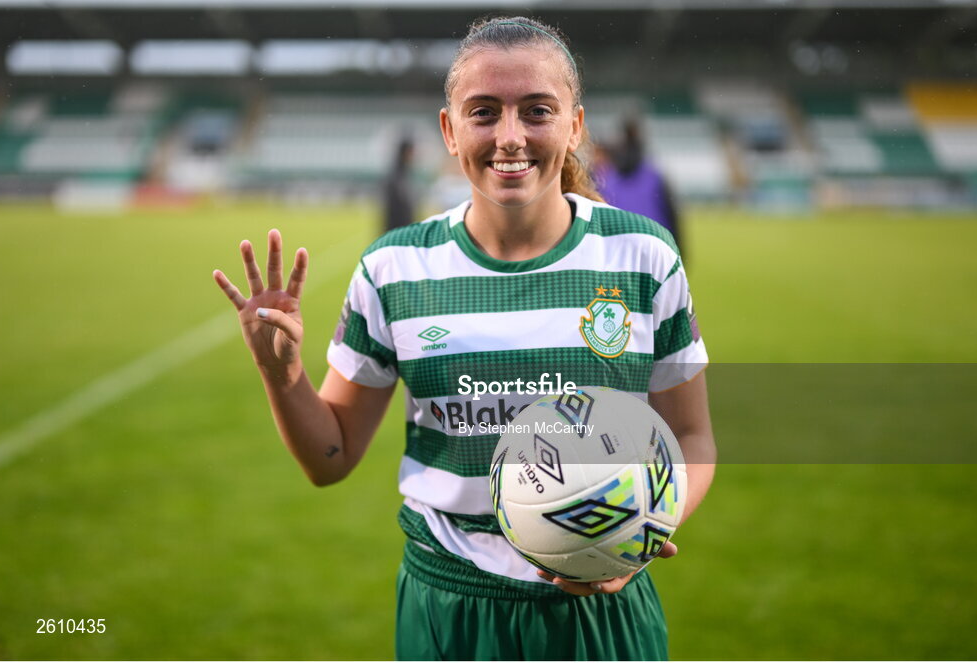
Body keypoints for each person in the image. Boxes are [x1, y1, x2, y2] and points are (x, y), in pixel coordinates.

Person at [213, 16, 715, 661]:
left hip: (601, 612)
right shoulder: (394, 269)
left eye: (537, 111)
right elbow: (328, 458)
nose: (510, 137)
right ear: (450, 131)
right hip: (448, 609)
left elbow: (693, 436)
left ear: (575, 126)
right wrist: (281, 374)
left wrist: (646, 526)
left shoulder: (641, 257)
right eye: (484, 113)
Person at [595, 117, 685, 260]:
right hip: (655, 247)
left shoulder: (607, 178)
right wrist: (680, 250)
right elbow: (672, 214)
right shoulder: (654, 174)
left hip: (620, 250)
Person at [382, 134, 416, 232]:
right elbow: (392, 211)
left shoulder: (405, 173)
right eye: (411, 152)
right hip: (397, 231)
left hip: (404, 229)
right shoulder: (396, 176)